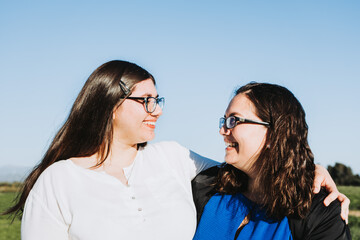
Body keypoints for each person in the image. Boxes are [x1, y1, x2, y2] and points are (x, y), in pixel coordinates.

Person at [4, 61, 348, 240]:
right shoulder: (58, 181)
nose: (158, 110)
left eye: (158, 100)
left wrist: (311, 170)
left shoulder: (173, 159)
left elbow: (266, 165)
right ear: (109, 105)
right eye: (146, 101)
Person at [192, 82, 351, 239]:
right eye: (225, 120)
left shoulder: (319, 213)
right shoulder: (206, 187)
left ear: (273, 134)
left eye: (234, 120)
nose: (222, 130)